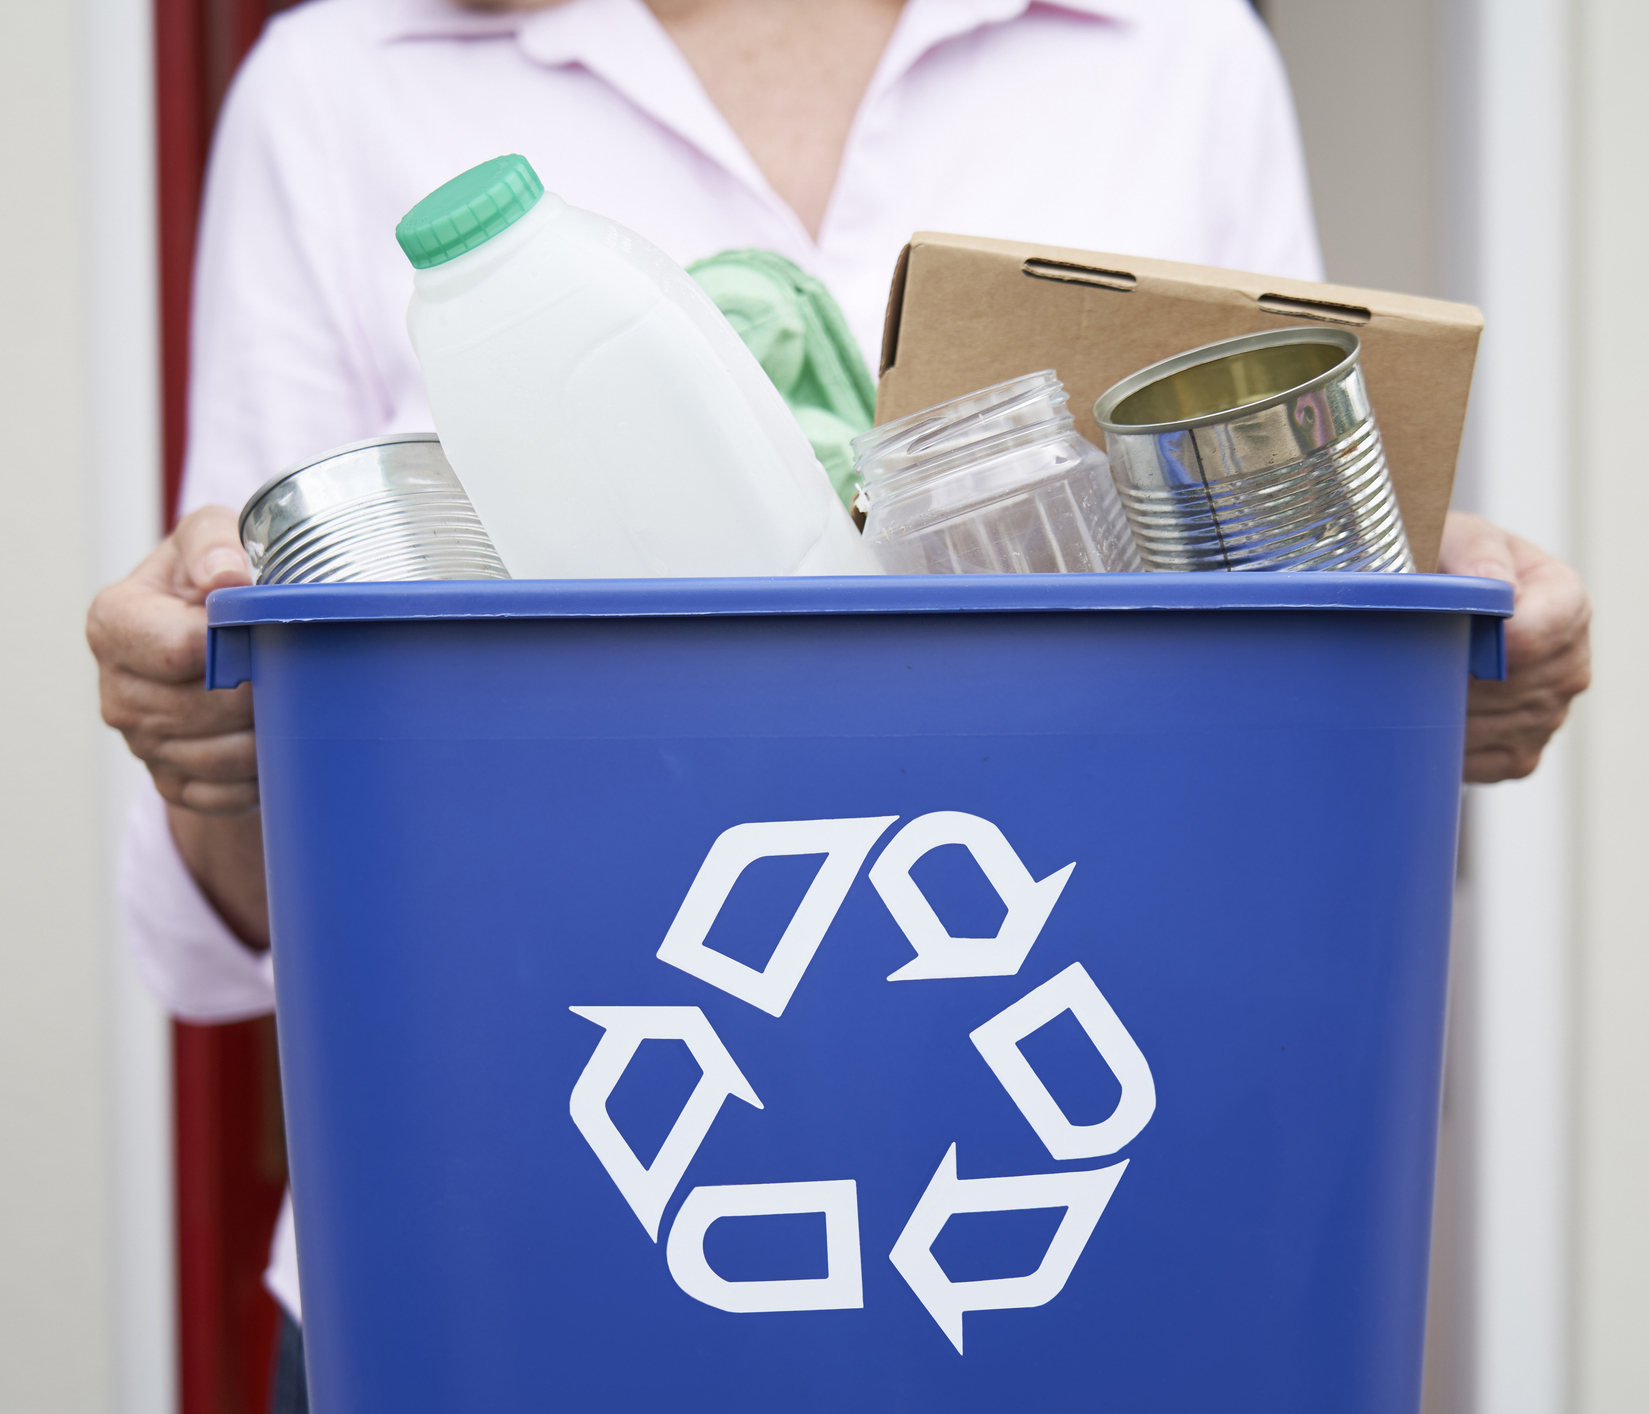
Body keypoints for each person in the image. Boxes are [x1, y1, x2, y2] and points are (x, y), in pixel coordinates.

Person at [85, 0, 1593, 1406]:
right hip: (518, 1291)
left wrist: (1401, 634)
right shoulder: (344, 82)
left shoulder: (1171, 49)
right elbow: (234, 922)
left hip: (1132, 1294)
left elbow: (1269, 688)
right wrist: (208, 741)